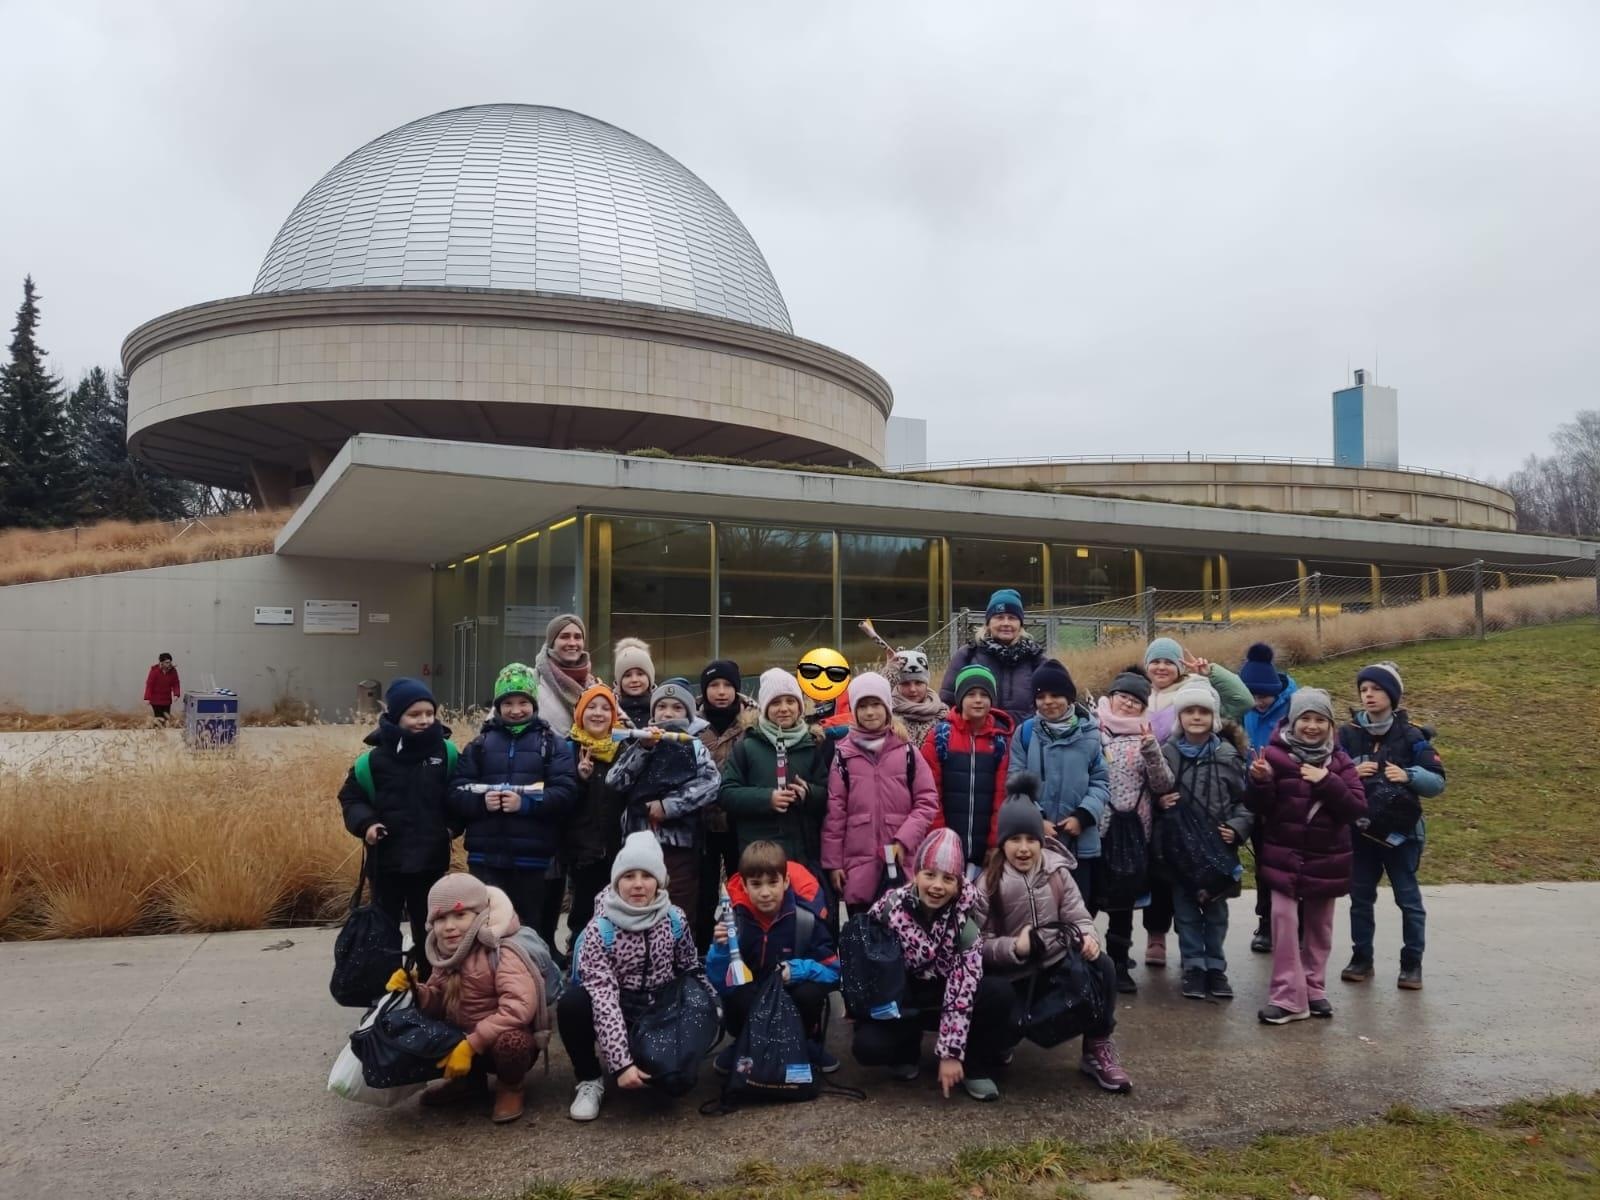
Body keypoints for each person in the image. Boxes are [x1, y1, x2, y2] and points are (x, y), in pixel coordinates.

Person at [974, 783, 1131, 1093]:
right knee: (999, 1009)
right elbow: (978, 943)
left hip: (1056, 966)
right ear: (1002, 842)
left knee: (1104, 967)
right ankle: (1002, 1042)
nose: (1023, 848)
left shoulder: (1058, 872)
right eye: (1014, 839)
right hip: (1015, 976)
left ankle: (1097, 1046)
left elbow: (1078, 915)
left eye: (1031, 839)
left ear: (1041, 841)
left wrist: (1087, 937)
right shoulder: (987, 883)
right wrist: (1013, 947)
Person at [558, 831, 715, 1121]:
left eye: (647, 875)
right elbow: (603, 999)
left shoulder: (674, 918)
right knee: (573, 1003)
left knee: (674, 1085)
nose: (638, 884)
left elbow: (691, 968)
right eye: (629, 876)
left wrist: (713, 1009)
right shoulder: (599, 930)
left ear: (660, 882)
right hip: (616, 1006)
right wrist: (620, 1064)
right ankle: (590, 1079)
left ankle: (651, 1057)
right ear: (617, 881)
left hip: (659, 1008)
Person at [850, 828, 1013, 1102]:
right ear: (916, 874)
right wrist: (859, 1001)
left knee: (999, 994)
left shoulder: (965, 925)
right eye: (930, 875)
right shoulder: (889, 908)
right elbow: (865, 955)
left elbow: (962, 992)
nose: (937, 885)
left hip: (946, 992)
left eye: (948, 878)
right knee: (867, 1047)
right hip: (902, 993)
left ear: (959, 883)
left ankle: (973, 1063)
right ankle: (906, 1049)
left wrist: (950, 1053)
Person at [1245, 688, 1367, 1024]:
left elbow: (1355, 808)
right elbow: (1261, 808)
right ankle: (1287, 997)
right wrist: (1260, 782)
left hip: (1327, 859)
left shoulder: (1339, 762)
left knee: (1319, 928)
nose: (1311, 726)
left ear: (1330, 726)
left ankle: (1314, 989)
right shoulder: (1272, 754)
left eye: (1319, 720)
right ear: (1292, 721)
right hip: (1284, 856)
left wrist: (1326, 780)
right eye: (1305, 719)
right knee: (1284, 922)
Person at [1140, 638, 1252, 970]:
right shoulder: (1139, 697)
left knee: (1207, 902)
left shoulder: (1197, 690)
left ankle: (1211, 964)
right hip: (1164, 798)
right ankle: (1160, 938)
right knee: (1165, 879)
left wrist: (1210, 673)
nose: (1161, 667)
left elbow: (1241, 700)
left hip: (1206, 803)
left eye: (1168, 662)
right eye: (1155, 661)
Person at [402, 873, 548, 1123]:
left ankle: (510, 1087)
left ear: (481, 915)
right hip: (463, 1038)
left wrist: (473, 1044)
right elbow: (439, 1002)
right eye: (440, 918)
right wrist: (416, 991)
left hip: (496, 1041)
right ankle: (467, 1083)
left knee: (512, 1043)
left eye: (460, 915)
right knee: (423, 1029)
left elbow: (518, 1008)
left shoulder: (503, 951)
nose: (449, 926)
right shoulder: (444, 955)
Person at [336, 677, 457, 974]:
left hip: (430, 861)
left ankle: (432, 988)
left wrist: (452, 828)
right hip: (386, 862)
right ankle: (385, 987)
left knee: (430, 929)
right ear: (395, 716)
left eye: (429, 713)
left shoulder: (446, 754)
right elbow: (351, 798)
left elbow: (459, 795)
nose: (424, 721)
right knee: (384, 930)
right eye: (415, 715)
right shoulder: (373, 761)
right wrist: (367, 824)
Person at [1336, 661, 1445, 991]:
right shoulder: (1348, 735)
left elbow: (1438, 783)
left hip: (1403, 836)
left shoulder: (1413, 736)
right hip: (1362, 832)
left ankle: (1412, 965)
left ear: (1393, 695)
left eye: (1376, 689)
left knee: (1408, 901)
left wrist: (1409, 775)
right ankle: (1361, 959)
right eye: (1363, 690)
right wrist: (1352, 770)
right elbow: (1330, 772)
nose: (1368, 695)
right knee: (1360, 899)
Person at [450, 663, 579, 929]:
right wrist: (480, 803)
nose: (516, 709)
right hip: (486, 859)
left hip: (534, 859)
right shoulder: (480, 745)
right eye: (508, 702)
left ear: (534, 704)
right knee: (487, 928)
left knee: (530, 931)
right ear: (498, 706)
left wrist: (526, 804)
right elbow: (456, 791)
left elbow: (566, 793)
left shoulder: (552, 745)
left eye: (523, 702)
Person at [706, 840, 841, 1074]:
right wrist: (719, 951)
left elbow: (833, 972)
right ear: (745, 887)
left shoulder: (806, 919)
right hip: (753, 998)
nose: (765, 892)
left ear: (786, 882)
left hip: (790, 993)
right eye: (756, 884)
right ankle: (745, 1043)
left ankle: (804, 1043)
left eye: (773, 882)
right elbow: (718, 982)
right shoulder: (733, 921)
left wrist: (798, 970)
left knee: (809, 991)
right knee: (736, 990)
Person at [1156, 681, 1251, 1001]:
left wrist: (1238, 827)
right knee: (1184, 910)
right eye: (1189, 711)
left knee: (1215, 911)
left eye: (1203, 711)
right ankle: (1194, 965)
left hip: (1217, 848)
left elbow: (1245, 801)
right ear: (1179, 717)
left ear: (1214, 717)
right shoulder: (1166, 753)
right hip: (1181, 849)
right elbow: (1154, 791)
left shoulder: (1228, 755)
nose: (1196, 717)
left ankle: (1215, 967)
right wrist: (1160, 804)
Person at [605, 678, 721, 927]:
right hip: (637, 842)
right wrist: (642, 748)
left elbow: (710, 784)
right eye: (662, 707)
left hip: (678, 845)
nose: (668, 713)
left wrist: (668, 806)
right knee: (637, 903)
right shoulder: (640, 741)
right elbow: (614, 781)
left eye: (677, 708)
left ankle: (678, 961)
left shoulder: (695, 745)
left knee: (678, 907)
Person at [821, 670, 940, 912]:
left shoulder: (907, 753)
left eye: (876, 704)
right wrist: (833, 864)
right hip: (859, 867)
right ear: (854, 711)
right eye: (863, 706)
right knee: (866, 939)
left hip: (902, 863)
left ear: (887, 707)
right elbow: (835, 813)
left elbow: (927, 802)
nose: (870, 712)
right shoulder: (843, 756)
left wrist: (903, 840)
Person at [1094, 668, 1175, 994]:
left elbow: (1163, 783)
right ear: (1111, 697)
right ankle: (1086, 958)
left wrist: (1151, 751)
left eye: (1134, 701)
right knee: (1088, 898)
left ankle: (1118, 961)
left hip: (1132, 832)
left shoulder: (1146, 738)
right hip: (1095, 830)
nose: (1126, 705)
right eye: (1122, 697)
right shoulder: (1092, 730)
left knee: (1123, 903)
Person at [1008, 659, 1109, 914]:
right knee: (1038, 908)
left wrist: (1083, 816)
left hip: (1078, 839)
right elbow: (1016, 780)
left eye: (1056, 695)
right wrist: (1036, 818)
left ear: (1069, 697)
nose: (1049, 702)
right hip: (1036, 839)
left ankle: (1075, 953)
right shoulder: (1025, 733)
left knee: (1079, 907)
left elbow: (1101, 782)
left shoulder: (1091, 734)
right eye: (1041, 696)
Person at [719, 668, 832, 873]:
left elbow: (828, 794)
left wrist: (808, 792)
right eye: (776, 703)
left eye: (790, 701)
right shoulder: (747, 746)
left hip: (804, 852)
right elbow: (727, 794)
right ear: (765, 708)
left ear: (800, 706)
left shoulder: (812, 745)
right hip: (759, 854)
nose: (784, 709)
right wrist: (767, 798)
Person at [556, 683, 628, 960]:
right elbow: (561, 801)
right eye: (591, 707)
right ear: (580, 713)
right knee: (583, 910)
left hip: (616, 846)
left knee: (617, 910)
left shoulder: (624, 748)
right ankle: (580, 958)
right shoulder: (567, 749)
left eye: (605, 707)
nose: (598, 713)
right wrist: (580, 780)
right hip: (581, 847)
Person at [1237, 642, 1298, 954]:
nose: (1259, 702)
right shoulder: (1244, 711)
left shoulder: (1294, 710)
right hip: (1257, 797)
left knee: (1288, 864)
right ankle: (1266, 922)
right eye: (1253, 696)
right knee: (1263, 865)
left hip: (1288, 800)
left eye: (1263, 696)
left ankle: (1293, 921)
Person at [923, 665, 1014, 875]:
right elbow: (930, 793)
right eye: (971, 694)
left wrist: (995, 841)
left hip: (985, 848)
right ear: (960, 698)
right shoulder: (940, 737)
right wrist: (940, 837)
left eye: (984, 694)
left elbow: (1002, 795)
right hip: (946, 844)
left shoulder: (1000, 740)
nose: (978, 700)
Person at [694, 659, 755, 951]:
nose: (721, 692)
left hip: (739, 822)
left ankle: (742, 948)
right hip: (700, 823)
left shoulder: (751, 723)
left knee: (741, 888)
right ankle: (702, 951)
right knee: (703, 894)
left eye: (727, 685)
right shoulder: (690, 723)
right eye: (714, 685)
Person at [938, 588, 1046, 722]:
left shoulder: (1036, 658)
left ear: (1020, 624)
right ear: (988, 623)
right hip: (978, 738)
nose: (1006, 623)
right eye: (999, 617)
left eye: (1012, 618)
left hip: (1025, 739)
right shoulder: (967, 655)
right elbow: (947, 701)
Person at [533, 614, 599, 737]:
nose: (572, 643)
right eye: (565, 637)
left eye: (578, 637)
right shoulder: (532, 681)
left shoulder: (594, 685)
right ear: (552, 642)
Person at [885, 648, 944, 747]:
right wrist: (889, 675)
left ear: (926, 684)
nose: (912, 689)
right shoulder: (887, 714)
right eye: (905, 683)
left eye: (918, 683)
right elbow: (874, 698)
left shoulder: (942, 715)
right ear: (897, 684)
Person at [612, 637, 655, 729]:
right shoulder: (610, 708)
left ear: (650, 677)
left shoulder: (660, 707)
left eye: (640, 674)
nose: (634, 679)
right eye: (627, 675)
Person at [143, 652, 180, 724]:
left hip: (166, 700)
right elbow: (149, 685)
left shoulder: (173, 671)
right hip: (155, 700)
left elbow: (176, 683)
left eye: (169, 662)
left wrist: (176, 694)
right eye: (166, 662)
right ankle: (158, 733)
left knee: (166, 719)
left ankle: (164, 733)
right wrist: (147, 698)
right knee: (158, 719)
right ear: (161, 663)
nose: (169, 664)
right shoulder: (154, 671)